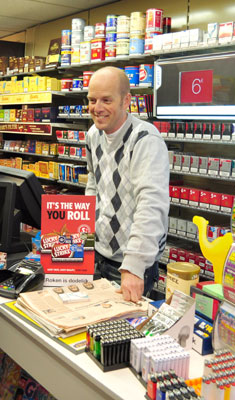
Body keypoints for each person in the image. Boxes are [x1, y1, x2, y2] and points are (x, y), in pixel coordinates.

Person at [85, 66, 170, 303]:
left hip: (130, 264)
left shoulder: (145, 140)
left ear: (126, 100)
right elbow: (94, 185)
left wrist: (134, 266)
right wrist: (85, 239)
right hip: (97, 254)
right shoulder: (93, 135)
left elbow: (151, 204)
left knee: (123, 335)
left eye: (106, 100)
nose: (97, 108)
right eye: (92, 100)